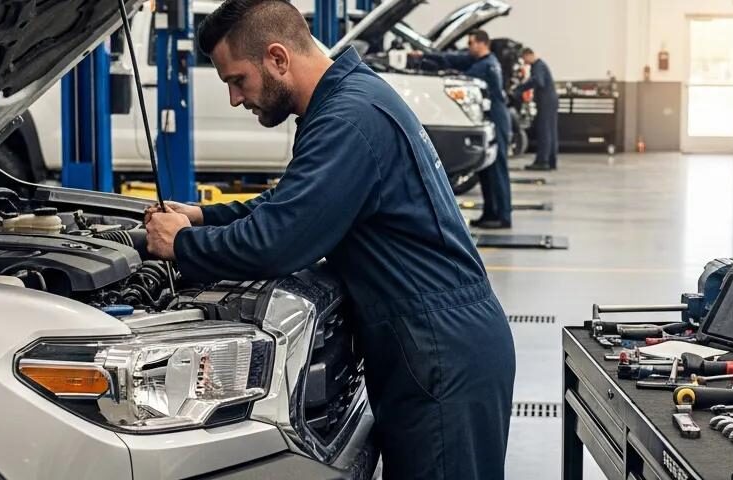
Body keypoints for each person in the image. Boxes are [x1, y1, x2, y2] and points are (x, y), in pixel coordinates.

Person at [142, 1, 516, 478]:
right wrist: (200, 216)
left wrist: (182, 246)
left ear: (278, 58)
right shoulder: (348, 101)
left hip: (440, 352)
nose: (236, 99)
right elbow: (291, 204)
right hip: (431, 344)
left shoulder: (347, 120)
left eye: (237, 80)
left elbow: (279, 241)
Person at [411, 30, 513, 229]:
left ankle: (503, 215)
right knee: (487, 171)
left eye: (471, 43)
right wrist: (425, 56)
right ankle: (490, 213)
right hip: (491, 118)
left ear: (482, 43)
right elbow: (455, 59)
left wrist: (445, 71)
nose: (468, 47)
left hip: (496, 120)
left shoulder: (486, 65)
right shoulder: (483, 61)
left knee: (497, 170)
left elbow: (462, 75)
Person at [515, 47, 558, 171]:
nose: (524, 62)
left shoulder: (538, 66)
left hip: (546, 101)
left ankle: (542, 161)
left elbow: (539, 81)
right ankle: (551, 161)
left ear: (529, 55)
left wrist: (521, 88)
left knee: (544, 131)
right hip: (550, 101)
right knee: (550, 131)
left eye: (524, 58)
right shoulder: (541, 65)